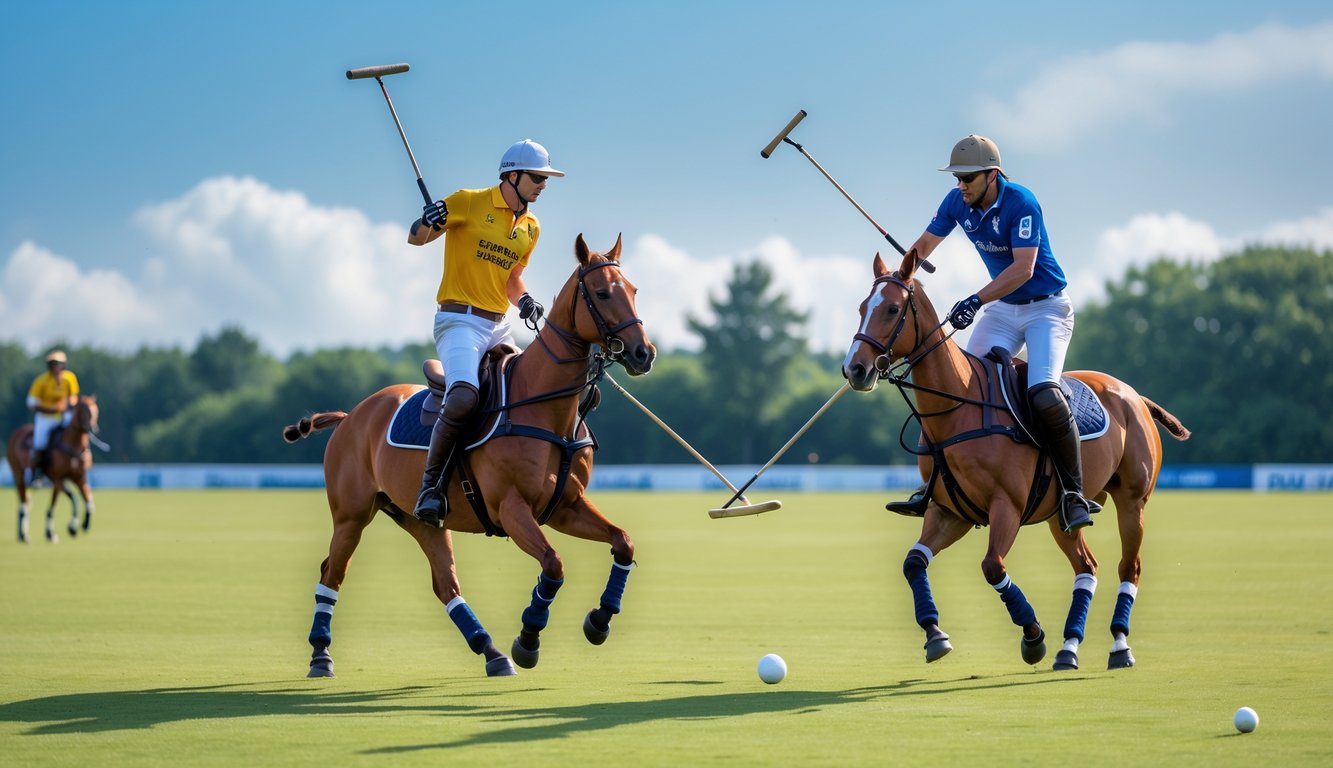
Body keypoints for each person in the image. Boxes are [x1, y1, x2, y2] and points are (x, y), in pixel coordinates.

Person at [885, 134, 1098, 533]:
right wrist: (899, 277)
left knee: (1045, 393)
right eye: (957, 178)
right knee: (960, 384)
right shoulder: (956, 203)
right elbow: (924, 245)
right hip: (1003, 309)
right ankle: (932, 484)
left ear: (992, 175)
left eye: (968, 178)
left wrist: (976, 300)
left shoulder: (1021, 202)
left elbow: (1023, 270)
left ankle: (1073, 493)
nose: (960, 185)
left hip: (1046, 309)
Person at [406, 139, 564, 527]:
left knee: (530, 389)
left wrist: (525, 300)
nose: (543, 185)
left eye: (546, 179)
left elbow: (513, 279)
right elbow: (417, 238)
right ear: (512, 175)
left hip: (499, 325)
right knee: (463, 397)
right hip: (459, 321)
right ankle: (431, 487)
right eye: (537, 178)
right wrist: (428, 219)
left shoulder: (531, 226)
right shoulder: (468, 201)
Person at [26, 349, 80, 486]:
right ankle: (37, 472)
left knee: (78, 430)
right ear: (49, 366)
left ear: (64, 365)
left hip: (63, 415)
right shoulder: (41, 380)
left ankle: (81, 461)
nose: (56, 367)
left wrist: (68, 404)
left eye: (59, 364)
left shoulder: (70, 378)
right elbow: (31, 402)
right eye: (53, 364)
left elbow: (73, 396)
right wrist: (50, 409)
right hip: (45, 417)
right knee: (40, 442)